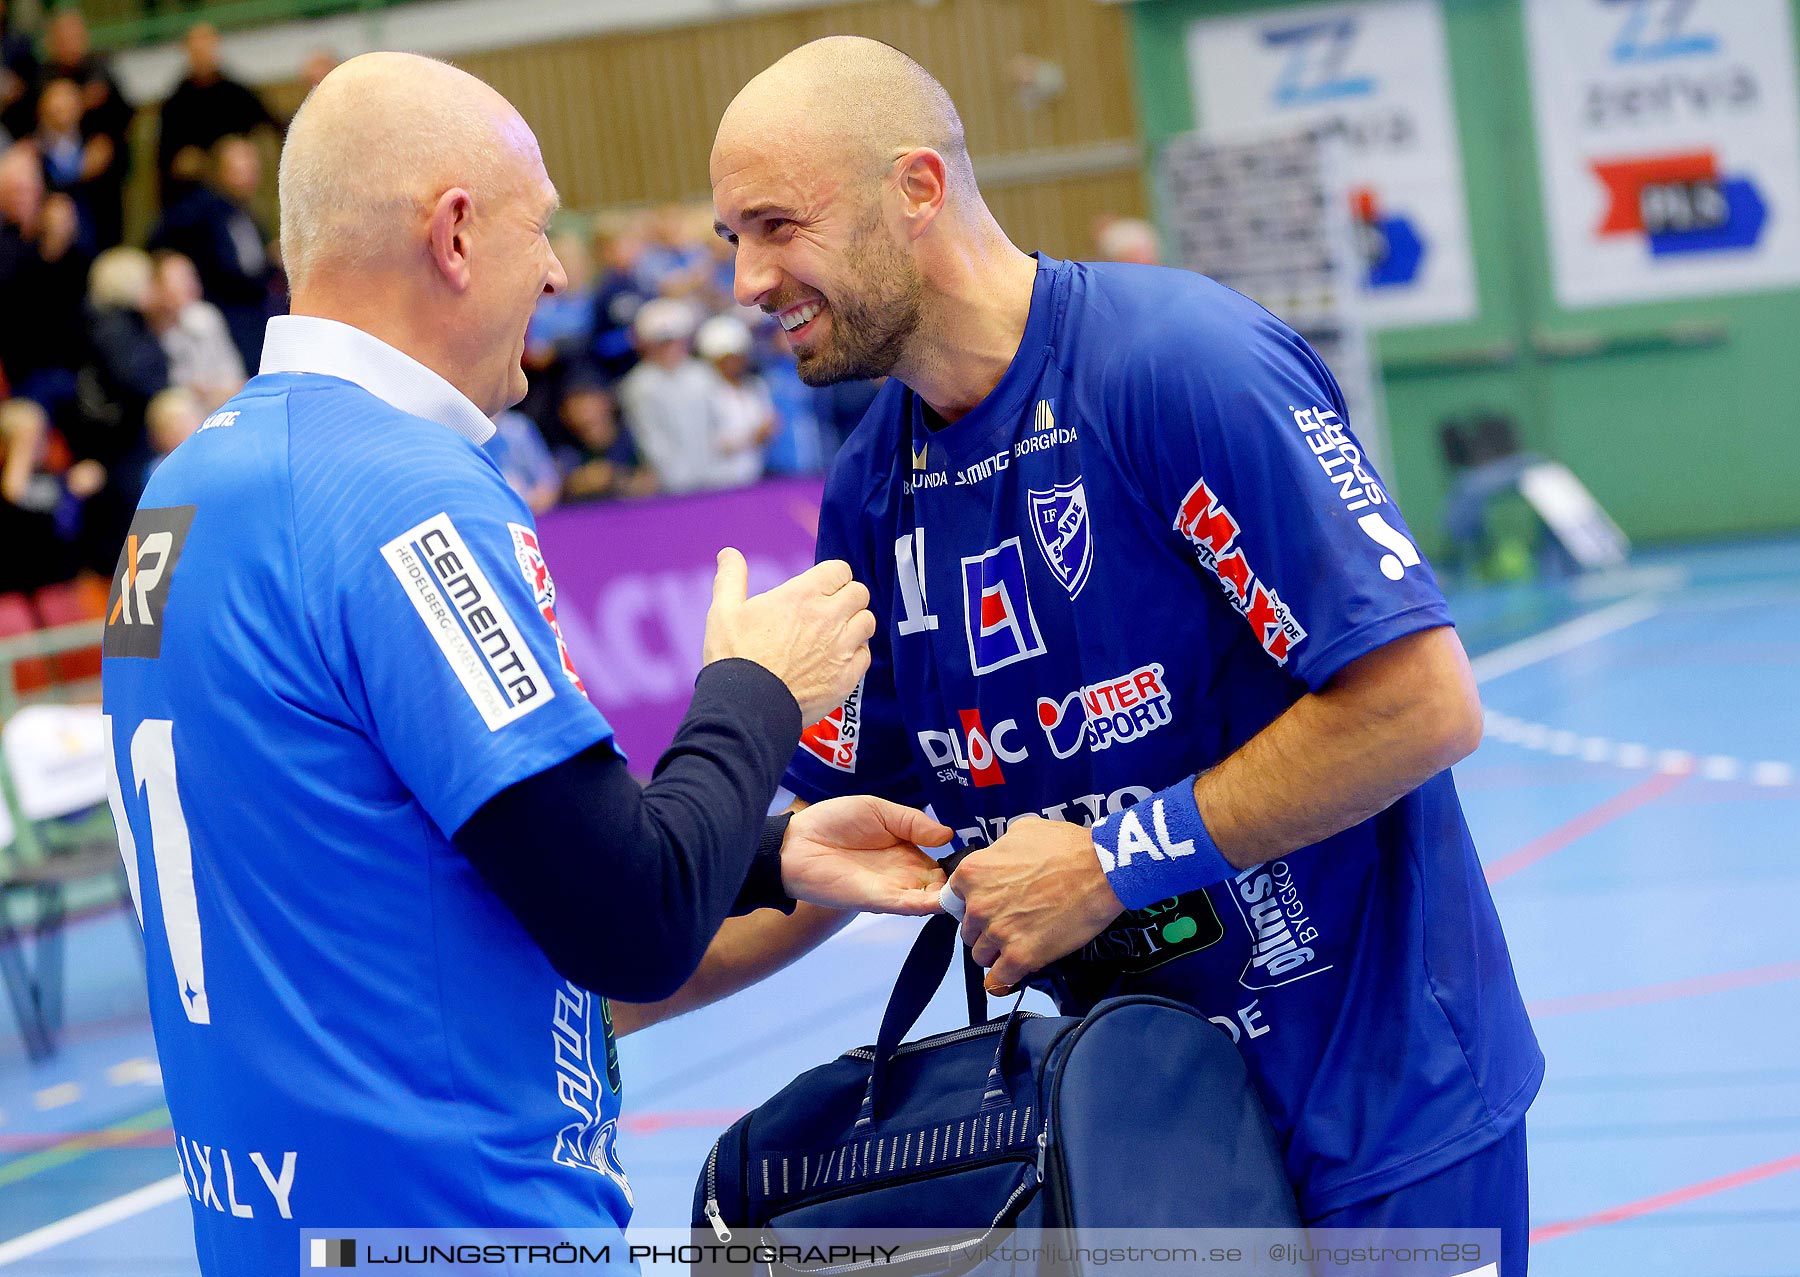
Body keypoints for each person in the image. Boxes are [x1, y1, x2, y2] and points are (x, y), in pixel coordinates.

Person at [650, 36, 1541, 1271]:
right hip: (1140, 1154)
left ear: (917, 186)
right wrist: (592, 993)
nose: (746, 279)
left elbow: (1421, 704)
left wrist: (1117, 860)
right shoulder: (872, 489)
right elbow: (845, 832)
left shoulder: (1181, 369)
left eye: (775, 226)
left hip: (1376, 1118)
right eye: (729, 238)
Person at [100, 52, 949, 1275]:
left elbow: (433, 902)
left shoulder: (186, 491)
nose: (557, 271)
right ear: (454, 233)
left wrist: (768, 857)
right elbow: (630, 921)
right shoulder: (400, 494)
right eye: (538, 229)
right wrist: (757, 685)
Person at [156, 24, 284, 203]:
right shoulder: (176, 103)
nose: (203, 54)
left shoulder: (236, 93)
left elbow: (274, 124)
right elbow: (172, 161)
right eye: (196, 49)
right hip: (198, 193)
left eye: (207, 45)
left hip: (240, 189)